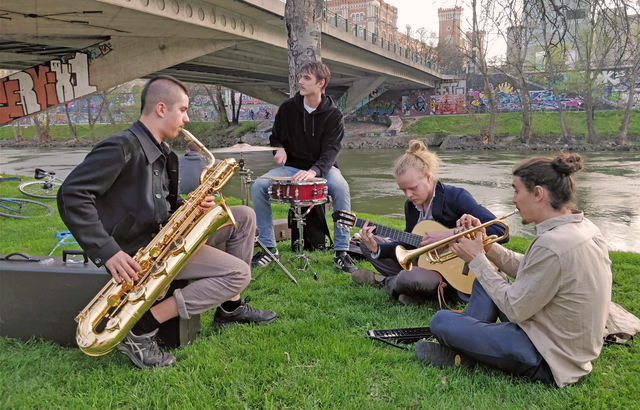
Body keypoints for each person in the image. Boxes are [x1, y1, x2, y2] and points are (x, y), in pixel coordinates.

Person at [57, 75, 276, 370]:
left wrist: (192, 207)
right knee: (238, 274)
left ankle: (230, 307)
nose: (186, 120)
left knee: (245, 217)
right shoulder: (120, 147)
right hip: (140, 252)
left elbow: (164, 207)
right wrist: (108, 250)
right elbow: (72, 194)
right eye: (183, 110)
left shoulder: (166, 154)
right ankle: (142, 326)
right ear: (161, 108)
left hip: (163, 237)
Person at [415, 152, 612, 388]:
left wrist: (477, 260)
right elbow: (530, 268)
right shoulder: (581, 227)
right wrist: (486, 245)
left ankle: (467, 348)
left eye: (517, 191)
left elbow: (515, 309)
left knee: (441, 321)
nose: (513, 200)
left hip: (549, 356)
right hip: (551, 331)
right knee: (486, 282)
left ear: (538, 193)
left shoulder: (554, 244)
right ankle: (471, 343)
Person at [353, 140, 507, 305]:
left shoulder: (456, 197)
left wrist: (449, 235)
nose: (408, 195)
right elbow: (408, 243)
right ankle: (411, 290)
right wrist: (376, 247)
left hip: (455, 274)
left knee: (408, 277)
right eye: (403, 190)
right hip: (424, 264)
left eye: (412, 188)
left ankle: (384, 281)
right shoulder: (410, 206)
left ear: (428, 178)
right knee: (365, 245)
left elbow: (499, 230)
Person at [250, 61, 356, 273]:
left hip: (323, 169)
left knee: (342, 188)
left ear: (321, 83)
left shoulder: (334, 115)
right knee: (258, 186)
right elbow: (276, 137)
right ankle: (269, 248)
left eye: (306, 78)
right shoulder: (287, 108)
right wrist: (278, 149)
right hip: (290, 167)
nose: (300, 81)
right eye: (301, 76)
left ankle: (342, 251)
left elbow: (331, 150)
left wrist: (314, 171)